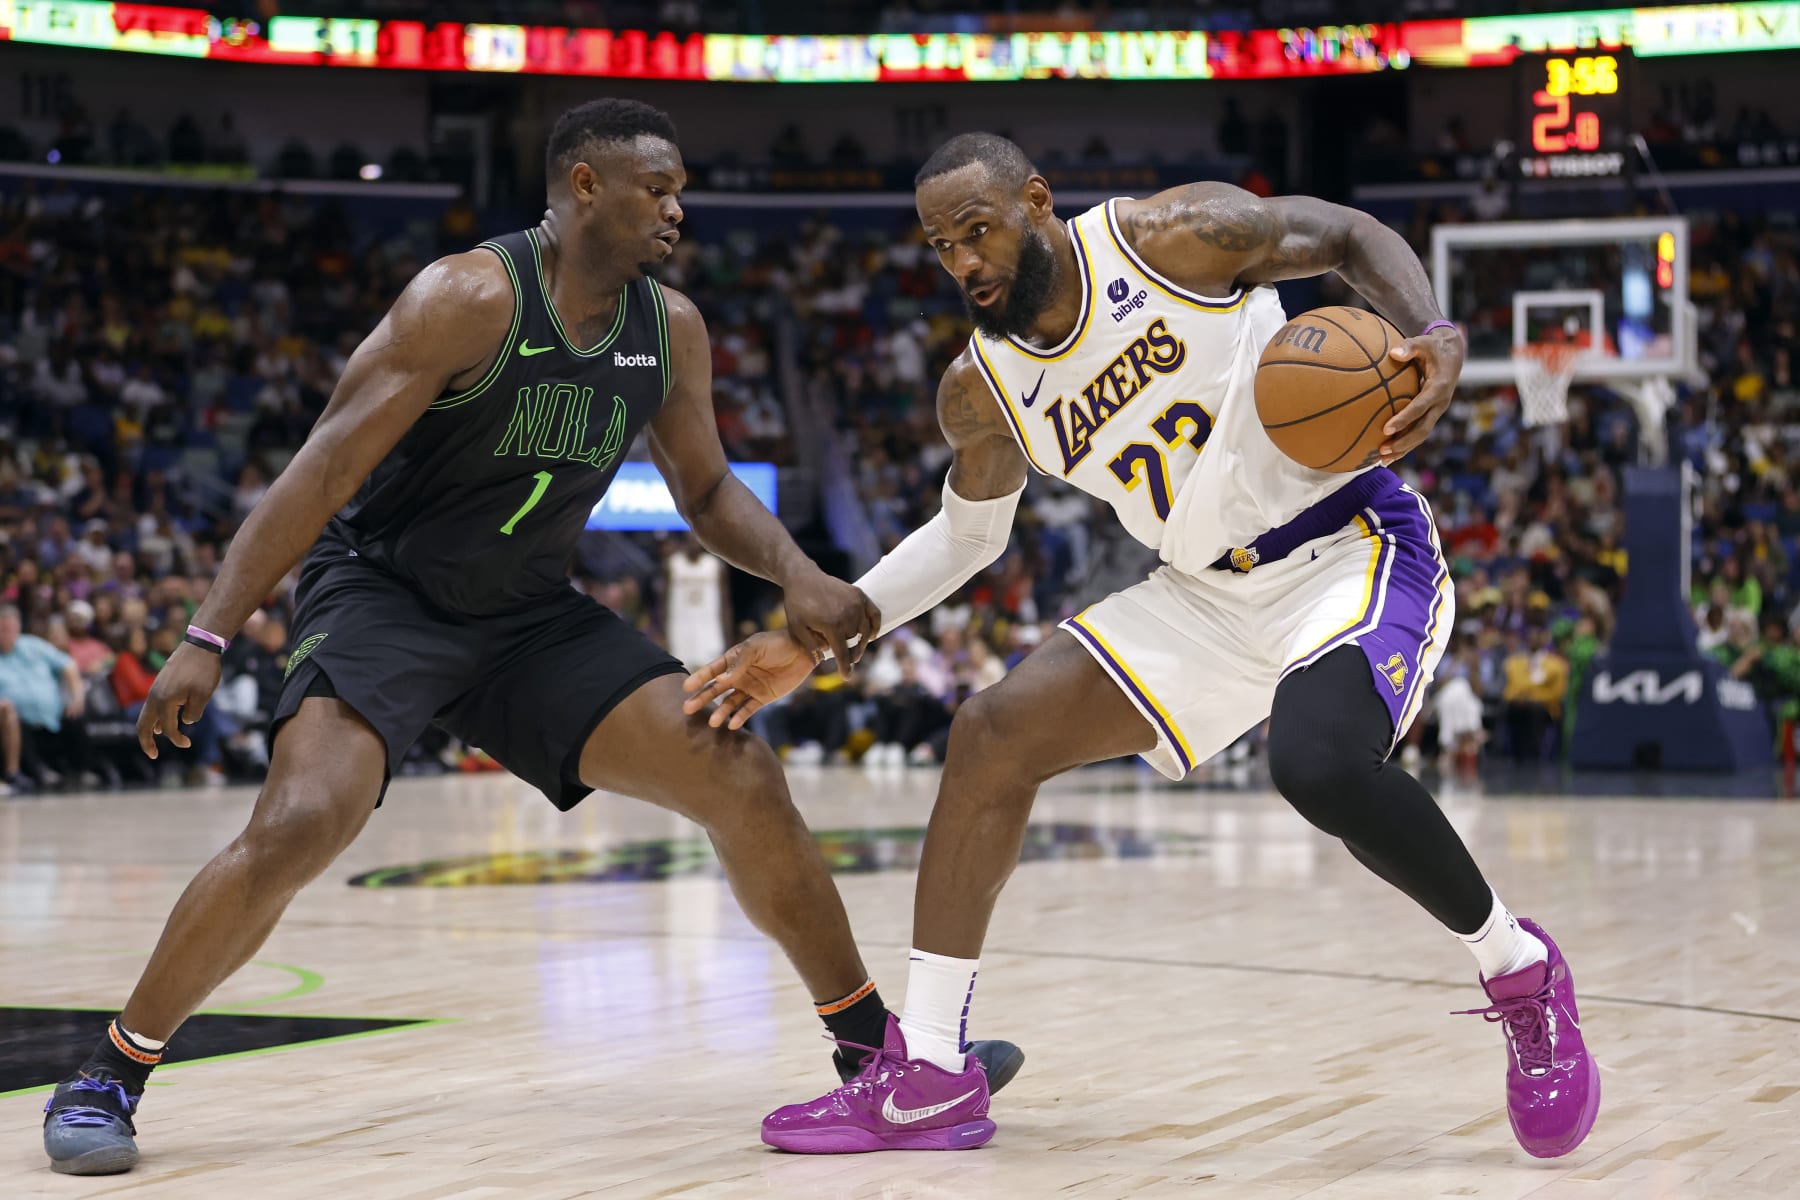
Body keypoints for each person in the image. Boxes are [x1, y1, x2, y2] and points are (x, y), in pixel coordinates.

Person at [40, 101, 1019, 1178]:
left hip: (528, 618)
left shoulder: (670, 325)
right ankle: (109, 1073)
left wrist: (798, 574)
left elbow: (703, 487)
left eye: (681, 189)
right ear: (584, 186)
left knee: (737, 772)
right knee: (302, 820)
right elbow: (321, 472)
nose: (679, 209)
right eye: (659, 187)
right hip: (386, 597)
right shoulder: (466, 299)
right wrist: (205, 635)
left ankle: (875, 1052)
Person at [686, 133, 1597, 1158]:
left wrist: (1433, 331)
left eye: (977, 231)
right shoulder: (978, 390)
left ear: (1036, 200)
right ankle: (933, 1069)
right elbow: (968, 535)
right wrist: (825, 635)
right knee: (990, 733)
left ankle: (1519, 970)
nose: (964, 262)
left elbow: (1346, 233)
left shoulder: (1173, 240)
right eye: (943, 248)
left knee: (1317, 761)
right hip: (1200, 596)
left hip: (1350, 547)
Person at [663, 533, 729, 671]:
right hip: (680, 629)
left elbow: (725, 603)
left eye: (697, 540)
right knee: (682, 676)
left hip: (709, 629)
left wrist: (728, 634)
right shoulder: (673, 563)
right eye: (690, 540)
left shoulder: (715, 565)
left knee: (711, 677)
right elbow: (664, 603)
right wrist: (663, 633)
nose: (693, 544)